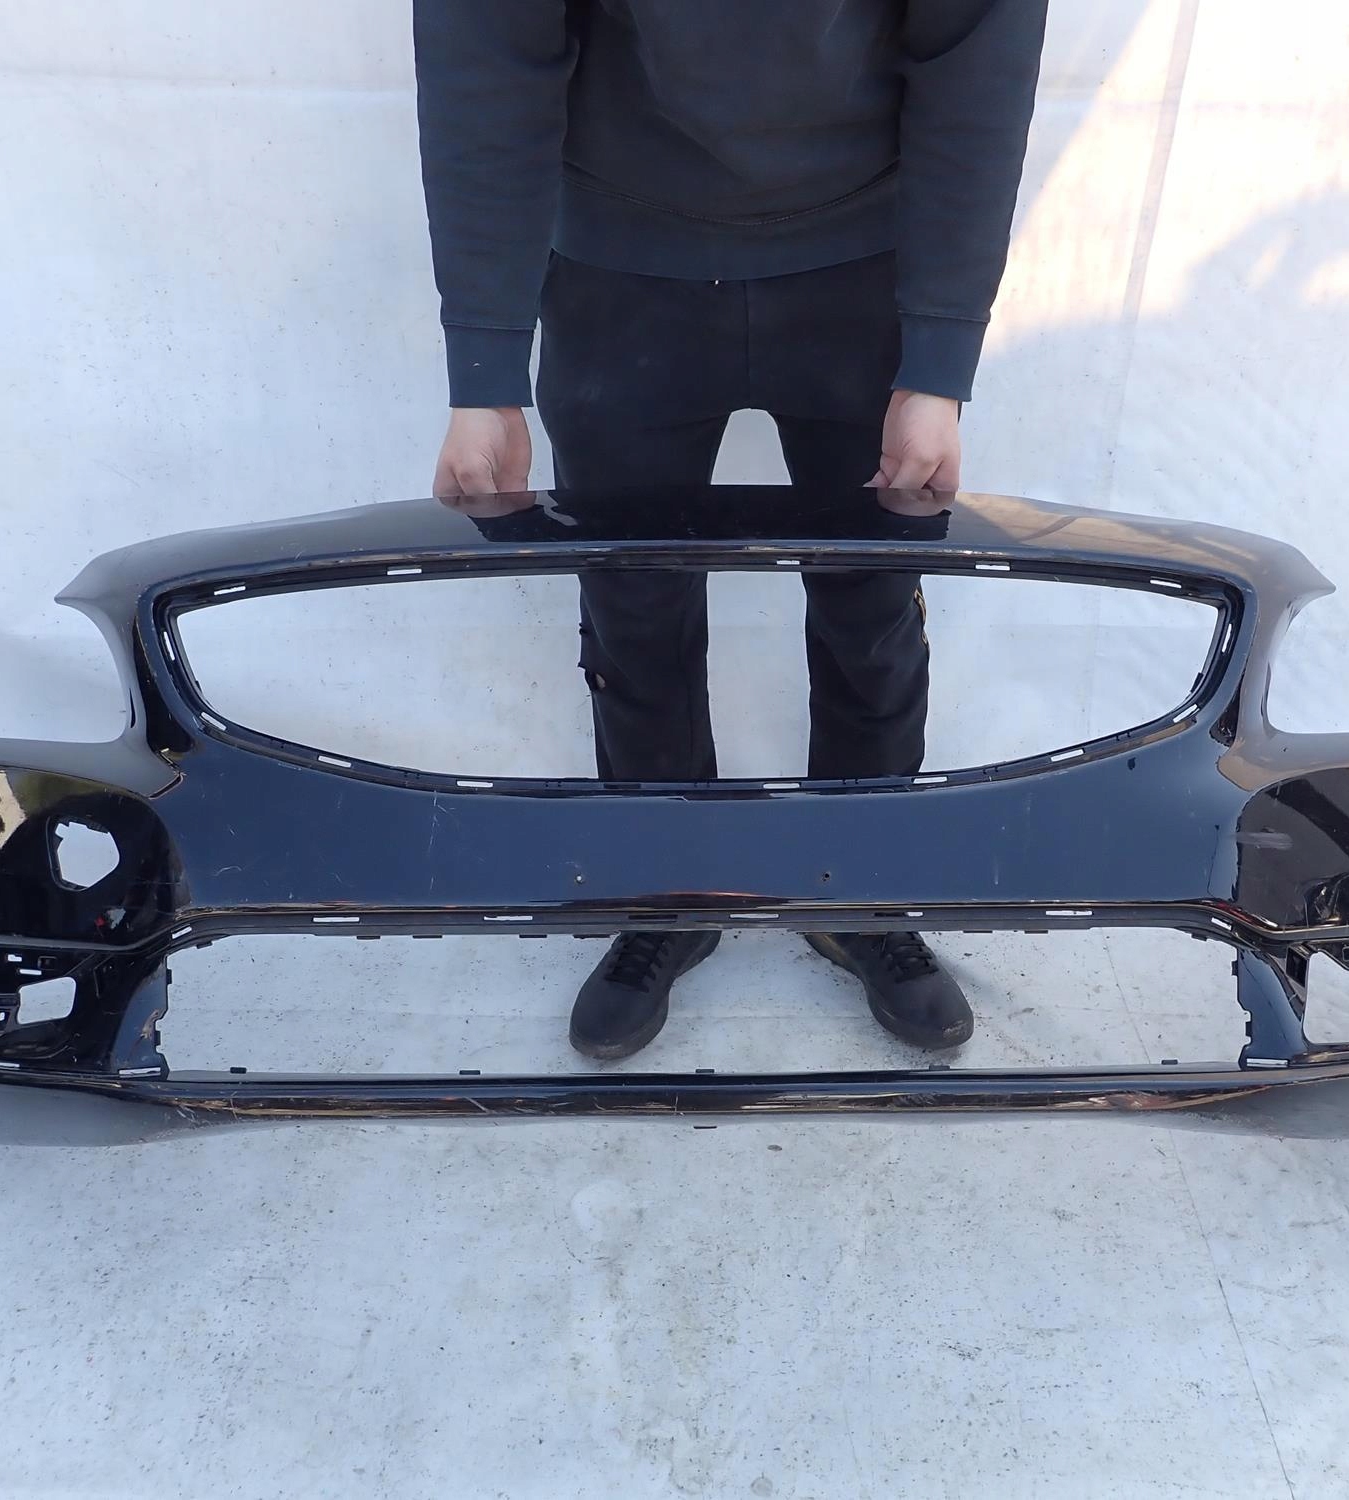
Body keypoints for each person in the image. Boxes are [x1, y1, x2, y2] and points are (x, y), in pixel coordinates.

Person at [413, 0, 1050, 1059]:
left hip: (863, 265)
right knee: (634, 601)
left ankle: (857, 891)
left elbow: (974, 64)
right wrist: (484, 368)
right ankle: (668, 889)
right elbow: (486, 59)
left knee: (872, 598)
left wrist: (938, 361)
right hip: (619, 268)